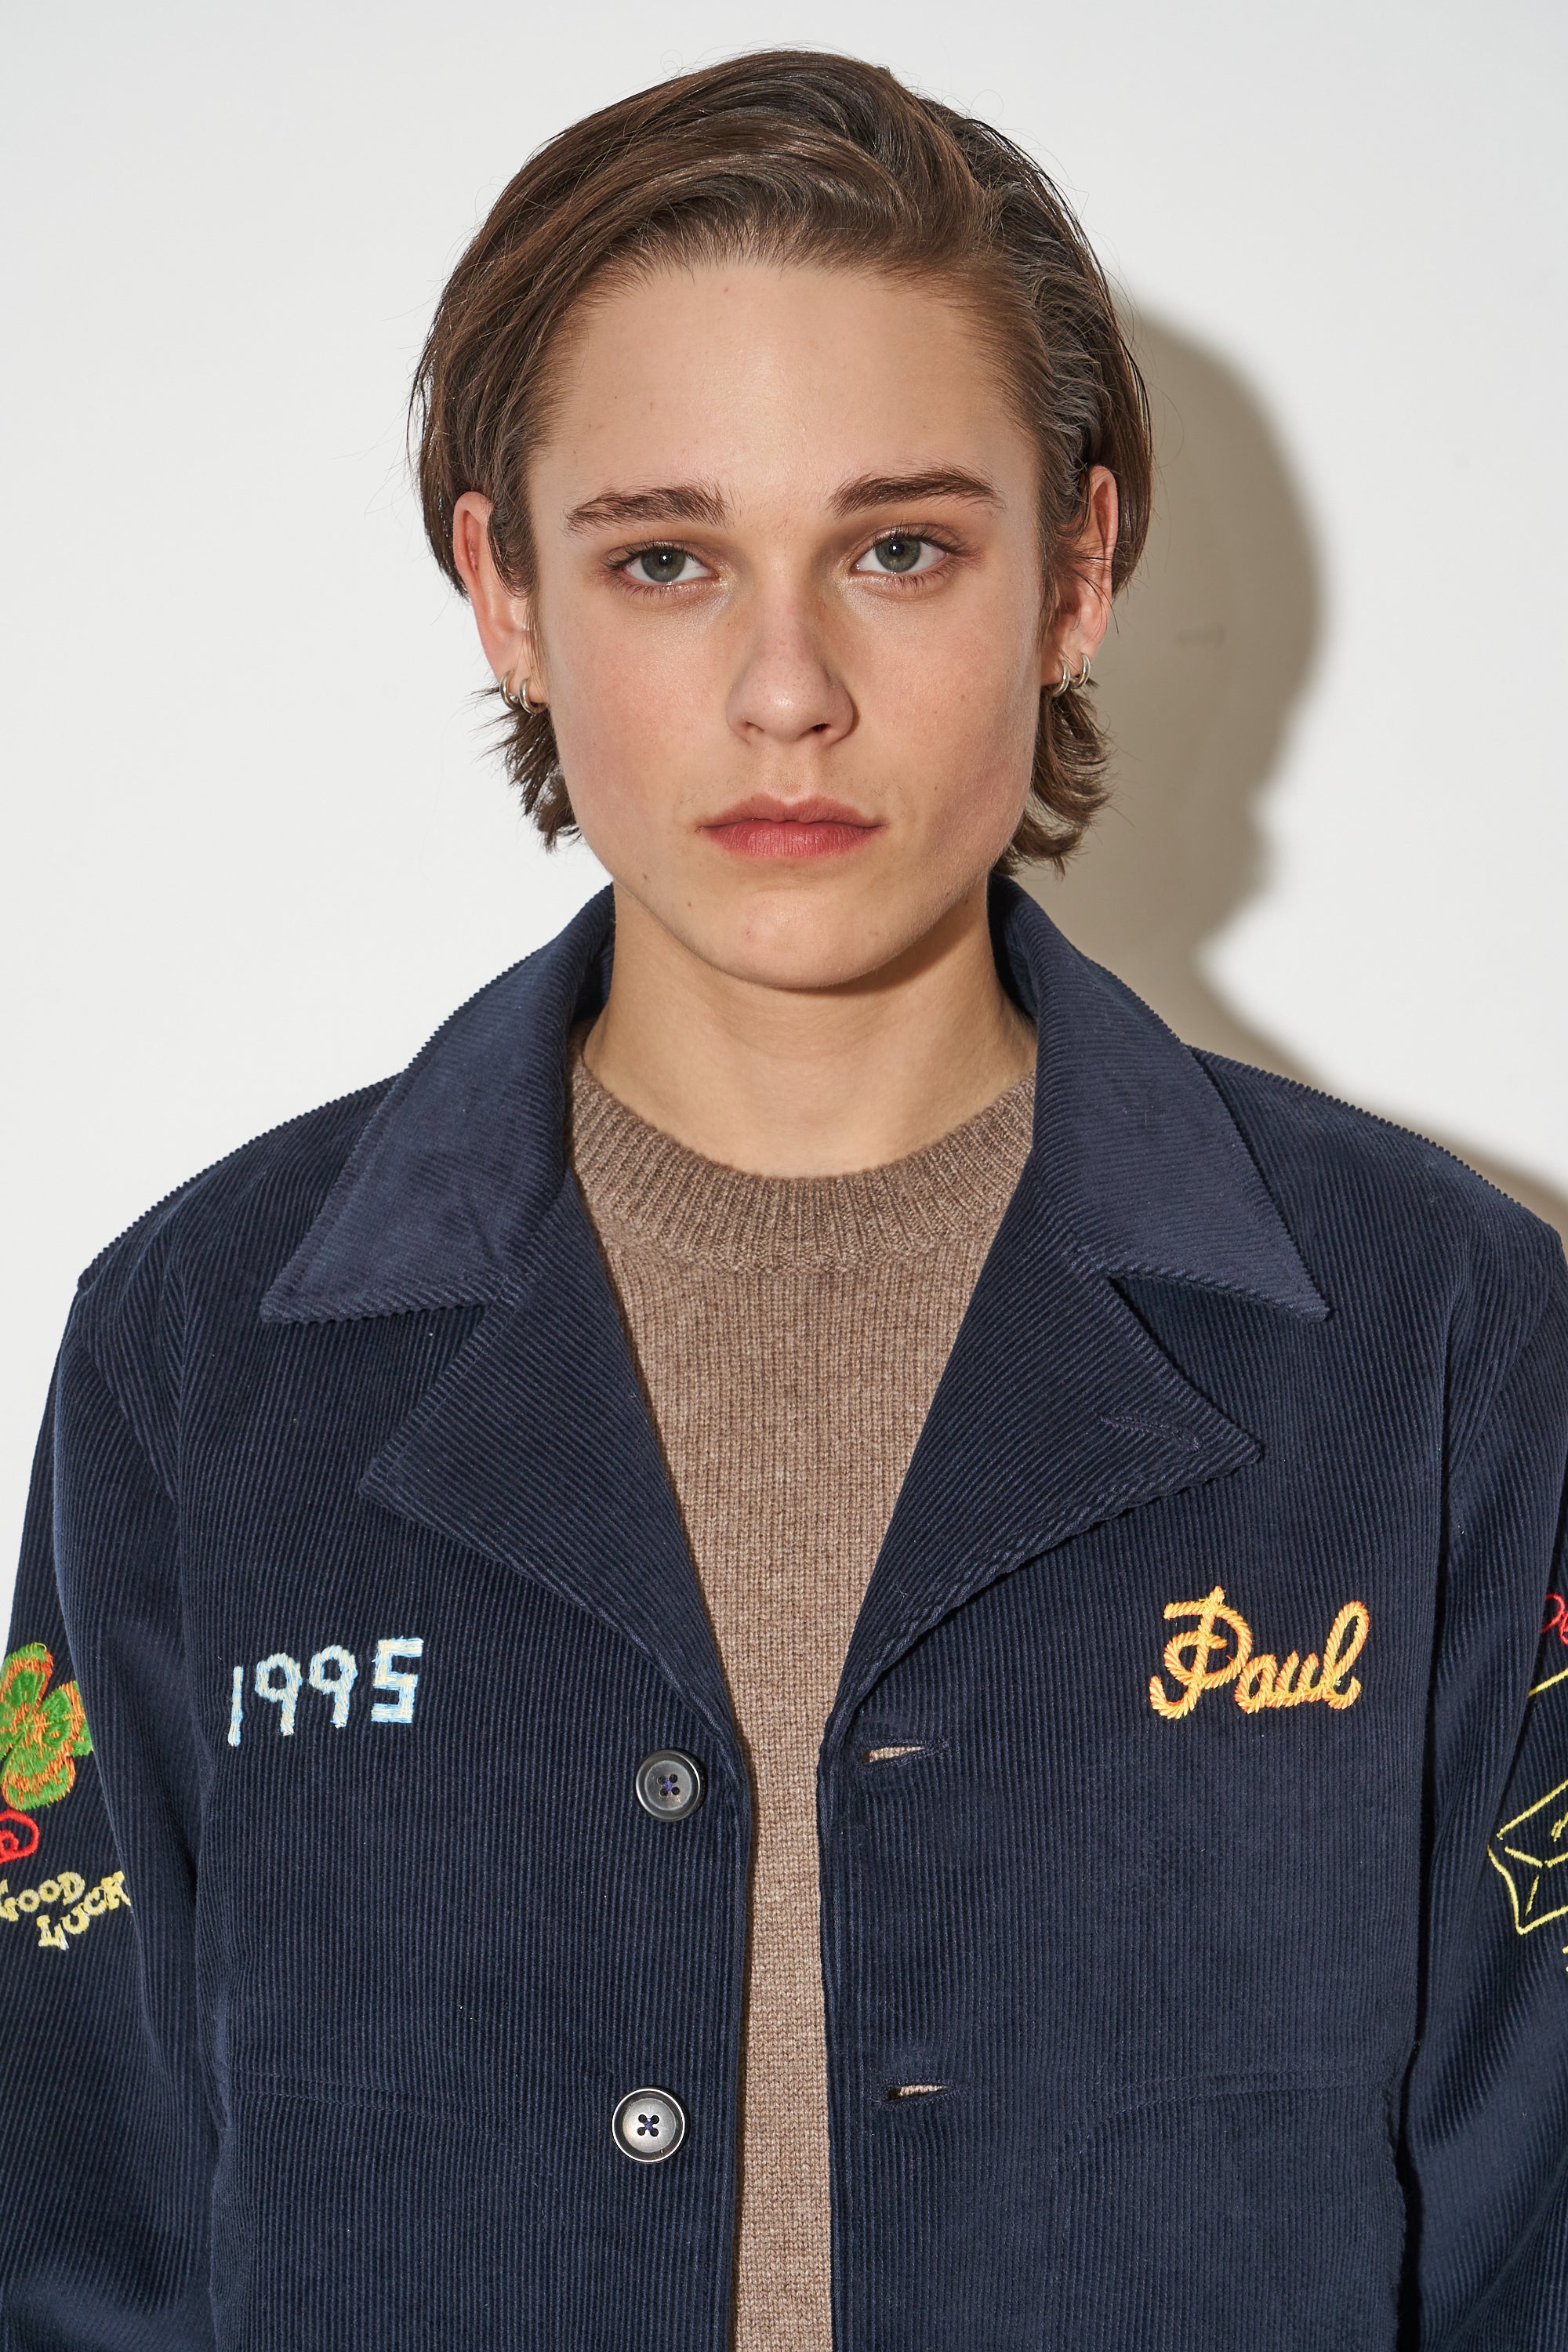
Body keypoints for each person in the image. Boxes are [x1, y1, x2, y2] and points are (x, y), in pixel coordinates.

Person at [2, 47, 1565, 2352]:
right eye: (664, 559)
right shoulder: (199, 1352)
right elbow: (78, 2254)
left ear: (1078, 572)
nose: (786, 690)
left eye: (899, 548)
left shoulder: (1438, 1334)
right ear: (504, 592)